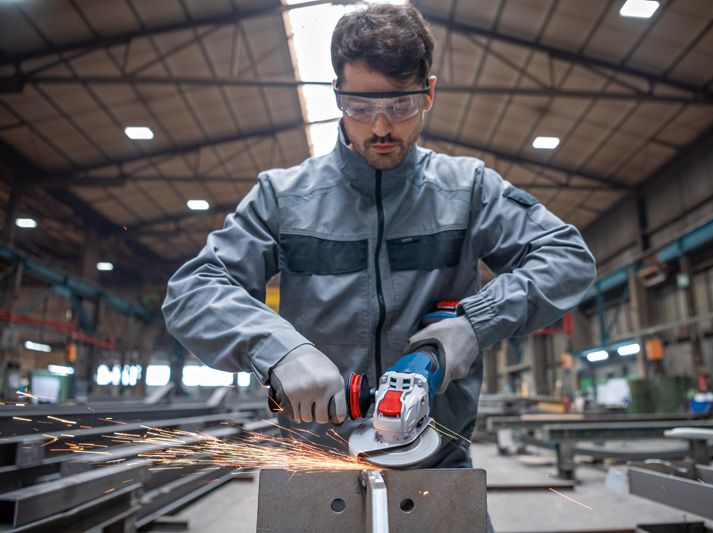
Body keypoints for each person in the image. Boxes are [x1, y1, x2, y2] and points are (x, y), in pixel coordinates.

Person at [163, 3, 595, 471]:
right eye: (360, 107)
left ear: (428, 93)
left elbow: (567, 257)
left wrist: (475, 324)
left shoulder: (468, 189)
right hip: (316, 465)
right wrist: (279, 350)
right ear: (336, 96)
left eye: (400, 105)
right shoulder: (282, 197)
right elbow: (194, 290)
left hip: (438, 463)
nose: (381, 127)